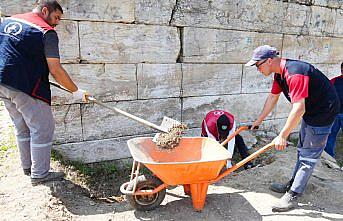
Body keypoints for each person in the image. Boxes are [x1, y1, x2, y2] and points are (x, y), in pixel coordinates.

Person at [0, 0, 89, 186]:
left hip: (3, 82)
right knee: (42, 128)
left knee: (22, 126)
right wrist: (76, 92)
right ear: (45, 10)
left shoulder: (9, 21)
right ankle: (39, 174)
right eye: (56, 17)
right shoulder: (46, 32)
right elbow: (56, 70)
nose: (56, 22)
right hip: (25, 86)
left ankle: (27, 167)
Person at [245, 45, 339, 212]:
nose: (257, 69)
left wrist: (283, 135)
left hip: (323, 112)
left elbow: (299, 108)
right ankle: (292, 185)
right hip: (311, 111)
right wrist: (258, 121)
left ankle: (293, 195)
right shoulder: (279, 75)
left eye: (258, 65)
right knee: (302, 150)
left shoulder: (295, 74)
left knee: (308, 156)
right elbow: (272, 98)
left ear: (269, 60)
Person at [324, 62, 343, 158]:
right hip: (334, 114)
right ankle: (329, 159)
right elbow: (325, 95)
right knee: (330, 137)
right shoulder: (334, 81)